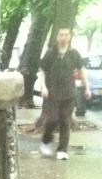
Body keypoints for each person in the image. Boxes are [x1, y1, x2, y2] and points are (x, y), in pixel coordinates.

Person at [37, 28, 91, 160]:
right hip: (52, 94)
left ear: (70, 37)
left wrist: (87, 88)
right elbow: (42, 70)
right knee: (52, 120)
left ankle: (62, 150)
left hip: (69, 93)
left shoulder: (74, 54)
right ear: (57, 37)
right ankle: (46, 140)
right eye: (61, 35)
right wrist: (43, 87)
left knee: (65, 122)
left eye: (66, 35)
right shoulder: (51, 53)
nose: (64, 37)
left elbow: (82, 70)